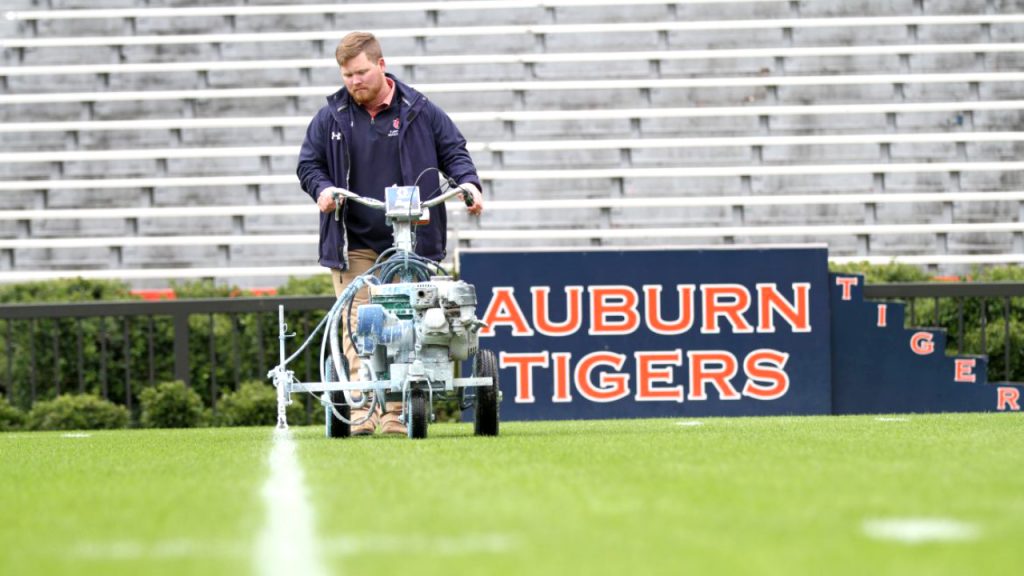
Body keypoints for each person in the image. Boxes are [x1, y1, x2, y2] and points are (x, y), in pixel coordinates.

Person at [297, 31, 484, 436]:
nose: (354, 81)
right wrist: (322, 189)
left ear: (381, 66)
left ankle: (396, 413)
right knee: (359, 324)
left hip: (410, 242)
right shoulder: (331, 117)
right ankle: (363, 409)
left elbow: (454, 151)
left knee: (406, 325)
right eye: (347, 75)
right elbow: (308, 164)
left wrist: (469, 185)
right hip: (355, 241)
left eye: (361, 72)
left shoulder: (419, 110)